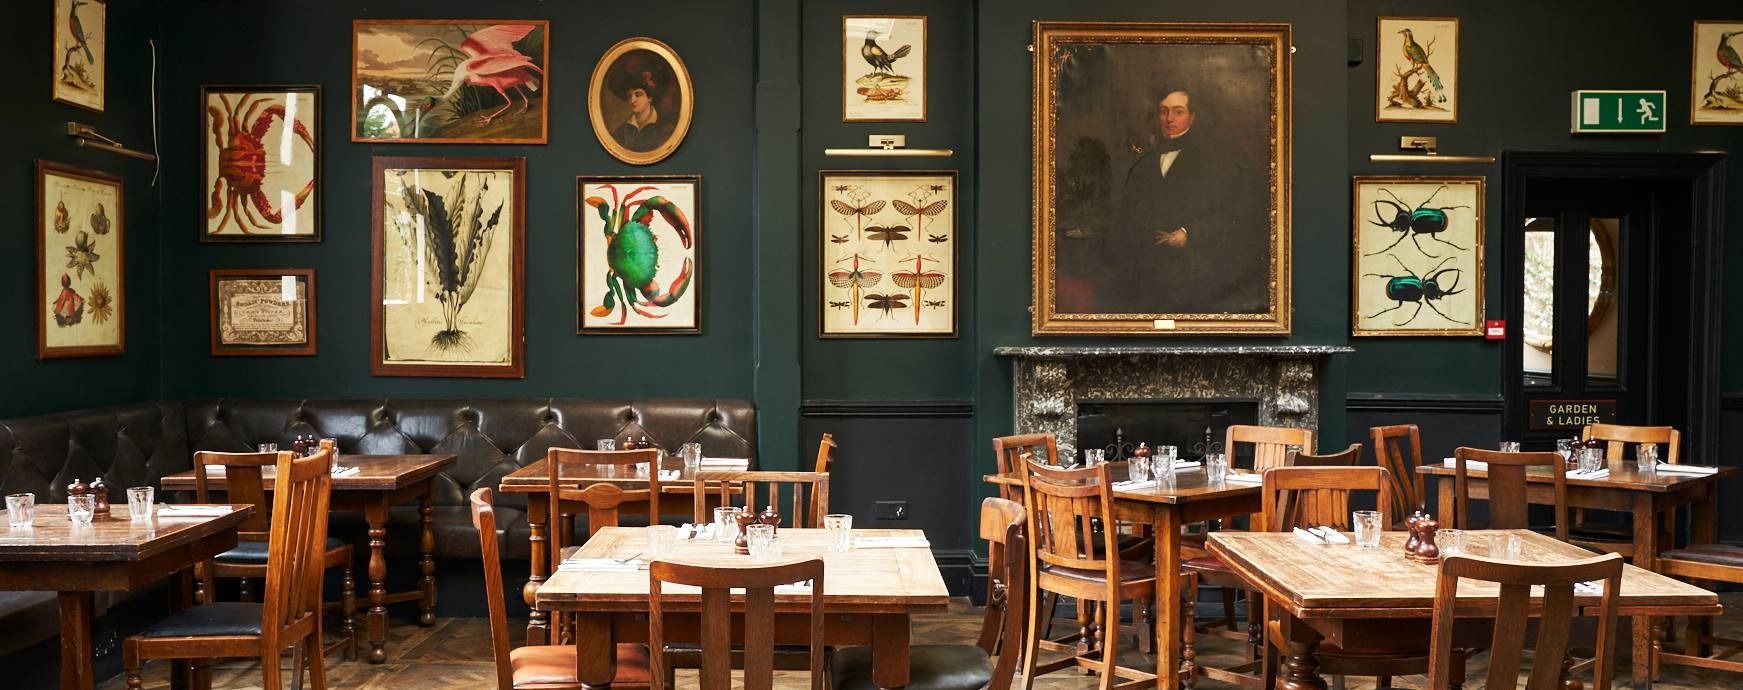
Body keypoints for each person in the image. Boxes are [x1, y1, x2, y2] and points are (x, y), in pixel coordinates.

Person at [1112, 88, 1267, 314]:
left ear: (1192, 117)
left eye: (1178, 111)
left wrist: (1189, 232)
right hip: (1145, 271)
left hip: (1195, 270)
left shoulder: (1212, 161)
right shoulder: (1143, 165)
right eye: (1163, 111)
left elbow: (1231, 213)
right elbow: (1126, 215)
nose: (1169, 119)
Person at [608, 57, 676, 153]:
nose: (632, 100)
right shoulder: (620, 132)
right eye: (629, 96)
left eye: (638, 94)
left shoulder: (667, 128)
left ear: (649, 98)